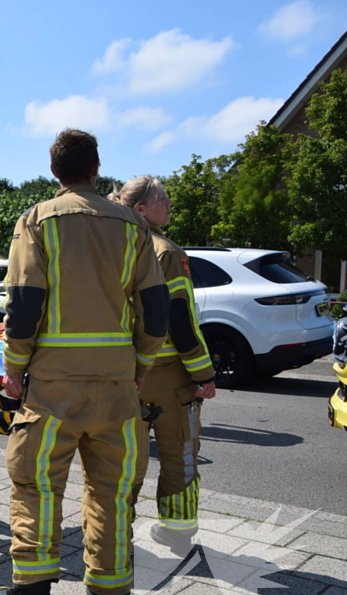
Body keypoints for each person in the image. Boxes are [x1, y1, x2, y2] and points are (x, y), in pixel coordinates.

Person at [0, 129, 170, 595]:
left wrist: (15, 369)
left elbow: (24, 304)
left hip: (53, 385)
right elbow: (156, 310)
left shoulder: (37, 221)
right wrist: (141, 364)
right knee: (112, 491)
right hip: (116, 386)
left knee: (38, 486)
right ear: (96, 169)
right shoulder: (134, 225)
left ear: (55, 173)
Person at [109, 176, 216, 555]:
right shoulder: (166, 252)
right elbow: (181, 319)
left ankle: (116, 532)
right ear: (140, 210)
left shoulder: (112, 245)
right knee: (179, 452)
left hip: (123, 373)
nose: (170, 205)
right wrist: (203, 373)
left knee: (124, 459)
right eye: (163, 200)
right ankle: (177, 532)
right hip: (167, 375)